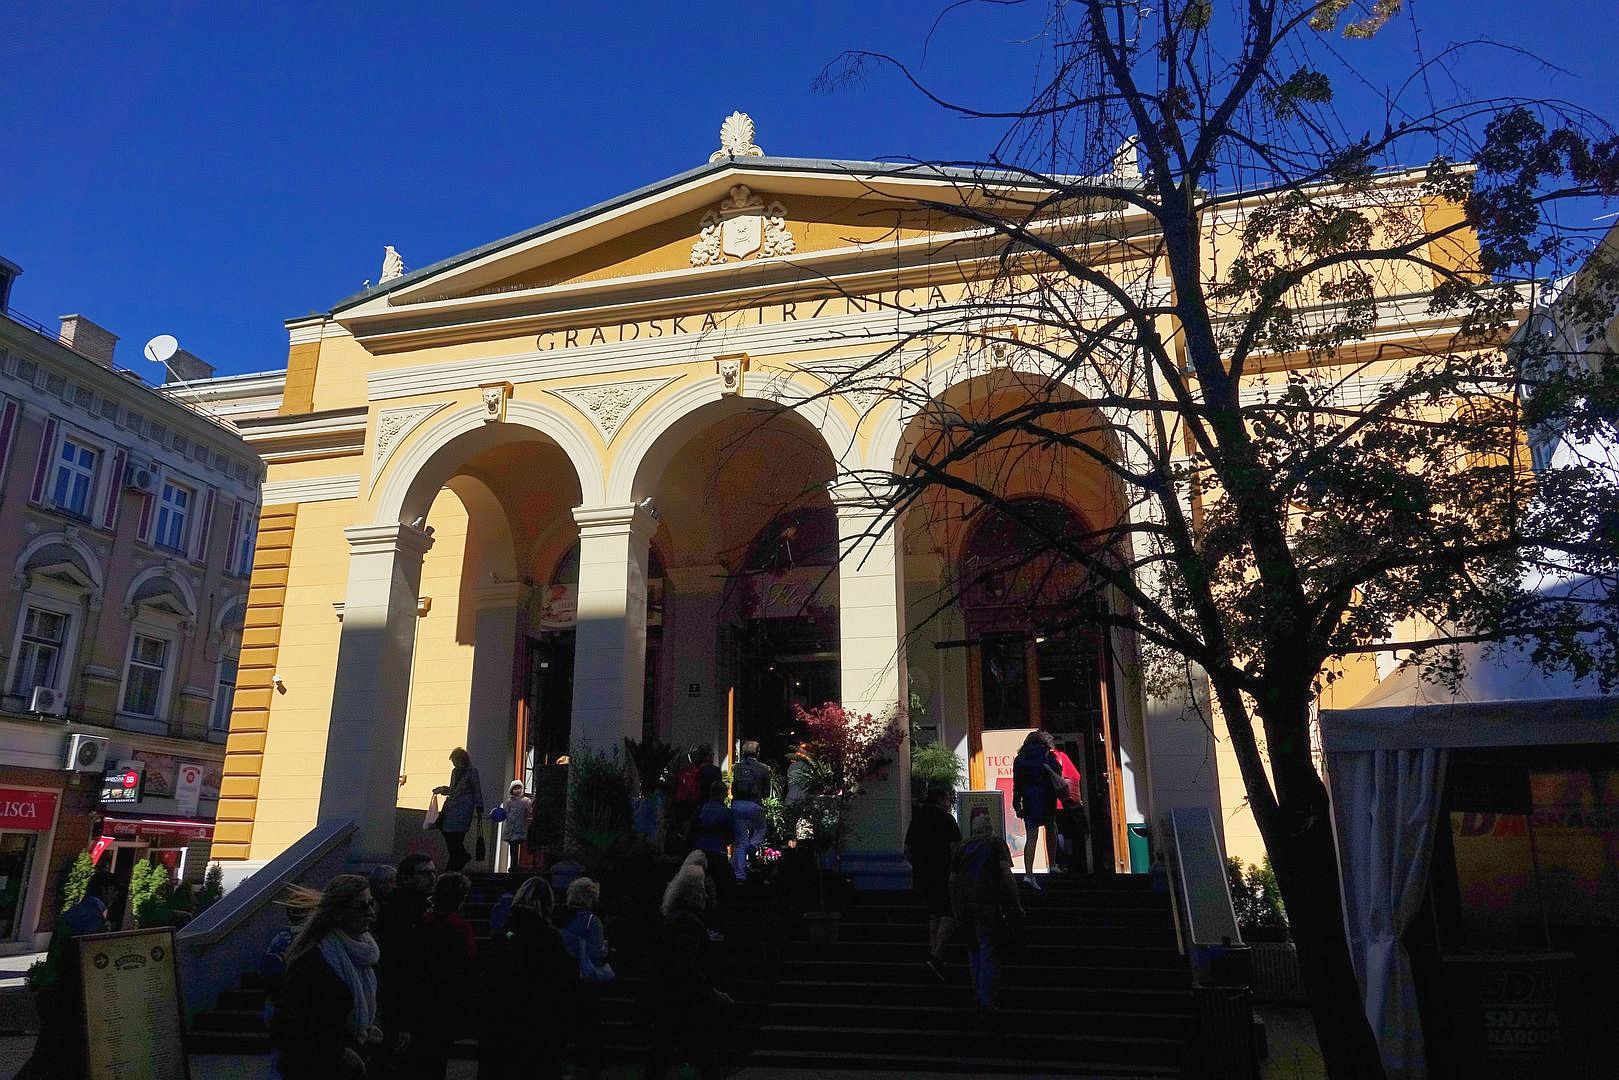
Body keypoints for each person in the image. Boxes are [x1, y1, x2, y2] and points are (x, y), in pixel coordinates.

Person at [270, 874, 383, 1078]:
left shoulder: (364, 953)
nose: (371, 912)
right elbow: (292, 1025)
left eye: (371, 903)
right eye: (362, 906)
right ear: (339, 913)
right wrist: (337, 1050)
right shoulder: (314, 960)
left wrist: (367, 1029)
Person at [22, 870, 120, 1079]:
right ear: (106, 890)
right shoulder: (92, 918)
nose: (115, 897)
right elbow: (90, 958)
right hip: (67, 991)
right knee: (58, 1049)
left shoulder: (76, 912)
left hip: (52, 985)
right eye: (114, 892)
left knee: (49, 1047)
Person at [477, 877, 573, 1079]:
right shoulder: (549, 939)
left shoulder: (502, 935)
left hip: (501, 1025)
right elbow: (561, 986)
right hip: (536, 1027)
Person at [647, 865, 732, 1079]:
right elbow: (688, 967)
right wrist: (711, 992)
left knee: (663, 1055)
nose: (707, 896)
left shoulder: (674, 920)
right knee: (703, 1056)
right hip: (686, 1001)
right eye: (703, 891)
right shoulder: (689, 924)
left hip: (671, 998)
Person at [950, 813, 1023, 1012]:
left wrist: (955, 907)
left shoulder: (962, 847)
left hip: (966, 906)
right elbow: (1006, 874)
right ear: (989, 828)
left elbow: (953, 880)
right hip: (988, 904)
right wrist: (1016, 903)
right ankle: (987, 998)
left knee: (974, 950)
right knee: (988, 950)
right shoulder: (996, 844)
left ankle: (978, 992)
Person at [375, 854, 435, 1078]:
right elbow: (400, 970)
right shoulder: (401, 913)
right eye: (426, 873)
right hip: (405, 1012)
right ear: (406, 878)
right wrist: (404, 1021)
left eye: (433, 872)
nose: (432, 877)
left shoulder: (420, 908)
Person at [415, 872, 477, 1080]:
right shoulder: (459, 926)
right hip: (446, 999)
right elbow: (467, 963)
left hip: (423, 996)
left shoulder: (424, 921)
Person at [905, 783, 962, 981]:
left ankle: (933, 952)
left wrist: (917, 865)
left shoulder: (917, 819)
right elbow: (956, 847)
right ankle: (936, 956)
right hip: (943, 873)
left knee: (932, 913)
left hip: (922, 874)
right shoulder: (947, 819)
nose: (949, 803)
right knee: (948, 914)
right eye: (947, 800)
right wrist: (955, 870)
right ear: (941, 800)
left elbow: (907, 848)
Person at [558, 877, 610, 1078]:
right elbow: (596, 954)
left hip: (565, 979)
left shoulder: (562, 917)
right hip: (586, 981)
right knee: (588, 1029)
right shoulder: (592, 921)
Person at [1011, 729, 1064, 889]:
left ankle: (1028, 873)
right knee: (1051, 828)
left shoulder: (1020, 759)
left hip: (1029, 800)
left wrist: (1017, 804)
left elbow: (1017, 783)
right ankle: (1052, 864)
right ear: (1041, 742)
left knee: (1031, 837)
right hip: (1047, 798)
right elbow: (1058, 770)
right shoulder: (1046, 754)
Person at [433, 747, 484, 873]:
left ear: (461, 759)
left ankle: (456, 862)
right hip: (452, 808)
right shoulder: (455, 772)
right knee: (450, 835)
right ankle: (458, 860)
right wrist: (443, 789)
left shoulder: (472, 772)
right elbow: (453, 789)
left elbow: (476, 790)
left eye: (455, 760)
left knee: (456, 837)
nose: (454, 763)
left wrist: (479, 806)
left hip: (463, 810)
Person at [692, 780, 736, 927]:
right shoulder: (726, 812)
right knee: (724, 886)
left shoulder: (701, 808)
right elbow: (731, 836)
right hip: (718, 852)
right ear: (724, 794)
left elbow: (693, 829)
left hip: (700, 851)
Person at [730, 740, 772, 881]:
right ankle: (753, 845)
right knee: (761, 828)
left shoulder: (737, 768)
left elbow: (734, 789)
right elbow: (766, 793)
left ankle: (740, 876)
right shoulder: (764, 768)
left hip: (737, 805)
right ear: (757, 753)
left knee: (741, 842)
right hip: (754, 805)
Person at [1050, 740, 1088, 873]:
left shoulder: (1042, 758)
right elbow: (1075, 776)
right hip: (1066, 802)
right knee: (1066, 832)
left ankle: (1059, 862)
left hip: (1050, 803)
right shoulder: (1062, 757)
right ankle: (1070, 862)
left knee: (1056, 832)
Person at [499, 780, 533, 870]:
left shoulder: (526, 801)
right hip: (511, 828)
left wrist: (528, 823)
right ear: (511, 790)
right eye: (515, 788)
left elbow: (529, 813)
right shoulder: (509, 801)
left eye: (519, 788)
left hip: (521, 826)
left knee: (518, 846)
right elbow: (505, 813)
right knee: (513, 847)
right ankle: (513, 865)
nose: (517, 790)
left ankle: (517, 865)